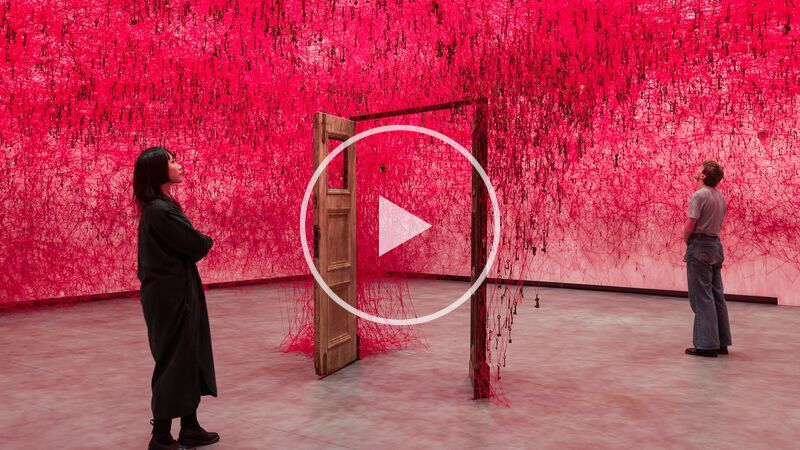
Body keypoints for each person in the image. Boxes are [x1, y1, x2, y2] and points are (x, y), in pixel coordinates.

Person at [133, 147, 220, 449]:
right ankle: (160, 437)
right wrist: (206, 239)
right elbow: (194, 243)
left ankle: (190, 427)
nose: (179, 165)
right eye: (171, 161)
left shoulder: (162, 206)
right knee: (173, 359)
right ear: (157, 171)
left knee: (186, 355)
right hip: (170, 296)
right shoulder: (159, 210)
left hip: (175, 290)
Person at [682, 160, 732, 358]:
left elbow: (690, 225)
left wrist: (688, 242)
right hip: (715, 246)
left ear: (703, 176)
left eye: (700, 168)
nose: (696, 169)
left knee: (701, 297)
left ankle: (706, 344)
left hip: (700, 245)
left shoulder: (699, 195)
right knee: (716, 295)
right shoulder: (719, 196)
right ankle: (722, 342)